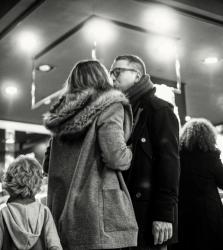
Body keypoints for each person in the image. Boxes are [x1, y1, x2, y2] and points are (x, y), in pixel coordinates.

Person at [42, 59, 138, 250]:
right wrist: (131, 152)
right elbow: (115, 156)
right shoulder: (110, 106)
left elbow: (47, 164)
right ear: (102, 78)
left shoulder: (62, 116)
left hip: (62, 215)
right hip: (99, 216)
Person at [110, 55, 180, 250]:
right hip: (121, 214)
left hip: (149, 217)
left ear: (137, 75)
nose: (112, 78)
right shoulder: (119, 112)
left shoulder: (159, 110)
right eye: (111, 73)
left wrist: (164, 214)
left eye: (117, 72)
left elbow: (169, 164)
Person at [176, 118, 223, 250]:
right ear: (209, 136)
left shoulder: (178, 157)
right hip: (208, 214)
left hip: (184, 213)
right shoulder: (211, 156)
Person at [0, 154, 62, 250]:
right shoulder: (44, 212)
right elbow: (55, 246)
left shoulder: (3, 214)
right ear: (37, 182)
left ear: (8, 180)